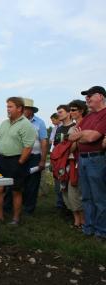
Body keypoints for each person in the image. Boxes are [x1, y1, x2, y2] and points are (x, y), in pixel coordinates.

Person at [0, 97, 36, 226]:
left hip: (17, 160)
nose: (7, 109)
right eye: (7, 106)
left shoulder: (26, 125)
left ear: (19, 108)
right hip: (2, 160)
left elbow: (28, 147)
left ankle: (15, 219)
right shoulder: (4, 123)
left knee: (16, 190)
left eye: (10, 107)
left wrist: (20, 162)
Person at [69, 86, 106, 240]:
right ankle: (88, 227)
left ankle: (101, 231)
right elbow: (71, 137)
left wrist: (81, 135)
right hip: (82, 158)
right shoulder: (89, 117)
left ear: (101, 96)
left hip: (97, 158)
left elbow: (92, 138)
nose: (87, 98)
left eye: (90, 95)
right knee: (86, 196)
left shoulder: (104, 114)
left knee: (99, 197)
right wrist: (85, 135)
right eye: (86, 96)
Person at [63, 100, 87, 229]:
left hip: (81, 161)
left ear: (81, 111)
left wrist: (74, 140)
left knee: (78, 192)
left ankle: (83, 221)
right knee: (68, 191)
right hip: (70, 162)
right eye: (70, 110)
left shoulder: (86, 124)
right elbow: (69, 147)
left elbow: (72, 147)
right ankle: (77, 220)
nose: (70, 112)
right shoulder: (72, 128)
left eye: (73, 110)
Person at [21, 98, 48, 214]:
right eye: (22, 108)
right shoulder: (17, 121)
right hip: (19, 156)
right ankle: (17, 206)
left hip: (34, 157)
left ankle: (28, 209)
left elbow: (44, 141)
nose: (23, 111)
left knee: (32, 184)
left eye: (25, 109)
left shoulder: (39, 122)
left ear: (31, 110)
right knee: (19, 182)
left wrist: (42, 160)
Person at [52, 105, 75, 207]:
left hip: (70, 160)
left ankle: (73, 210)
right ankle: (61, 207)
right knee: (59, 185)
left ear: (68, 113)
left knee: (71, 186)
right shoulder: (59, 128)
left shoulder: (74, 127)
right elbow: (56, 145)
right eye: (57, 112)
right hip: (59, 161)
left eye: (60, 112)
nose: (58, 114)